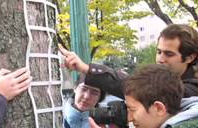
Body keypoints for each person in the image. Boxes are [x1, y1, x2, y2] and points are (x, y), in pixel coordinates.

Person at [59, 24, 198, 99]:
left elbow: (139, 88)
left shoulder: (192, 90)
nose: (160, 59)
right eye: (159, 52)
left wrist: (86, 68)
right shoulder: (164, 79)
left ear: (190, 57)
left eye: (169, 54)